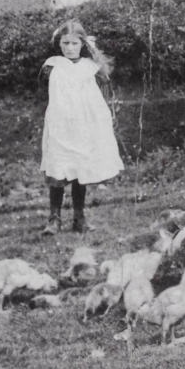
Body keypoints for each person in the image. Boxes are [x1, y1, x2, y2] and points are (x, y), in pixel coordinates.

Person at [39, 19, 124, 234]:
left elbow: (104, 85)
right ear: (59, 44)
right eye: (65, 43)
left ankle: (79, 218)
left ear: (82, 44)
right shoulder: (52, 65)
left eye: (74, 43)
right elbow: (43, 90)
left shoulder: (90, 68)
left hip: (84, 125)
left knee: (80, 170)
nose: (69, 48)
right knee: (58, 169)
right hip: (60, 124)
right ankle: (54, 218)